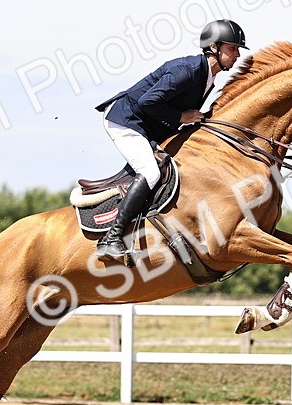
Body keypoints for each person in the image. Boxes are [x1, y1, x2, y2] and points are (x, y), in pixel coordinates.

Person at [93, 19, 248, 261]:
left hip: (147, 124)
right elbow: (147, 102)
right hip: (125, 120)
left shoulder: (207, 77)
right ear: (214, 47)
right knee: (151, 172)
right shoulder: (187, 71)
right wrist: (180, 116)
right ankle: (111, 238)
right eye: (233, 48)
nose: (237, 55)